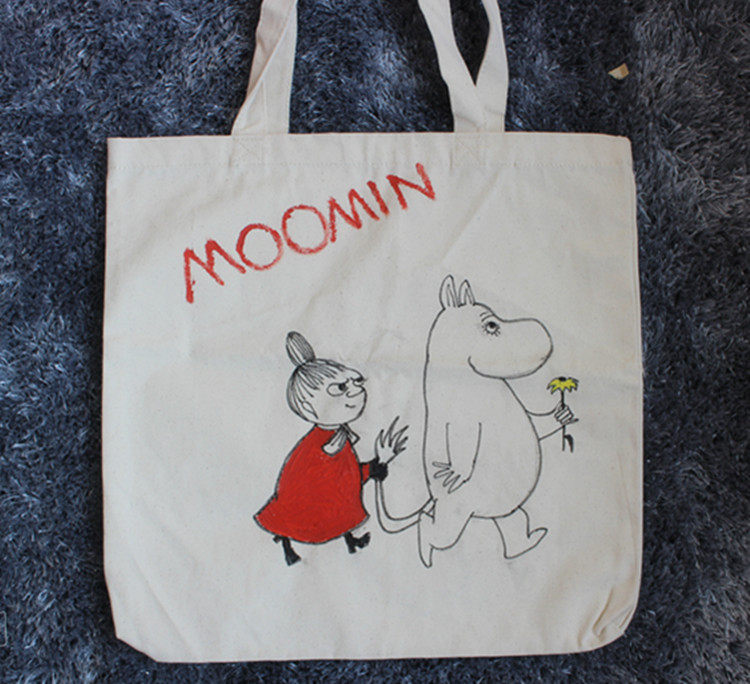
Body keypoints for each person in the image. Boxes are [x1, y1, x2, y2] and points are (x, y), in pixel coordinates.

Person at [255, 331, 407, 566]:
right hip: (312, 512)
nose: (356, 392)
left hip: (328, 506)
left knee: (340, 509)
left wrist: (370, 469)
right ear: (308, 407)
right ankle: (291, 545)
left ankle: (349, 540)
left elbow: (346, 476)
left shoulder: (337, 438)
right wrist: (369, 469)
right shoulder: (324, 445)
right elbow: (333, 482)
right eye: (340, 388)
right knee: (327, 512)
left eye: (355, 384)